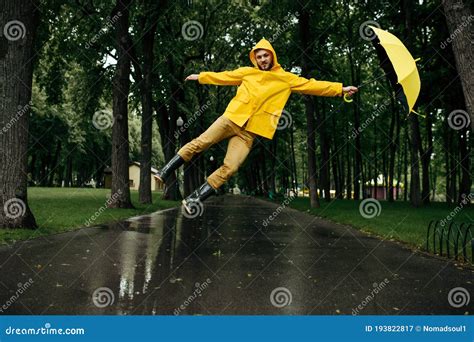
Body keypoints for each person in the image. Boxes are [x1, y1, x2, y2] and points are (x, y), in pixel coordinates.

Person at [157, 38, 358, 214]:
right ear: (255, 58)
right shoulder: (247, 73)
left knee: (231, 168)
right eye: (259, 56)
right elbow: (224, 76)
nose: (262, 59)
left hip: (248, 133)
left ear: (272, 57)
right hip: (230, 119)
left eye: (266, 56)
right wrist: (201, 77)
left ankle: (194, 199)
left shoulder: (286, 79)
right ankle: (165, 172)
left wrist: (340, 89)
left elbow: (312, 85)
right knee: (199, 143)